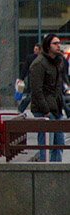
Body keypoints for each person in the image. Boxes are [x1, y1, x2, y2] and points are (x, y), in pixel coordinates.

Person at [28, 34, 66, 162]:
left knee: (59, 142)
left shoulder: (57, 61)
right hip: (44, 109)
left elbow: (58, 87)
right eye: (55, 43)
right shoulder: (39, 63)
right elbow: (37, 90)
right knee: (46, 142)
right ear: (48, 46)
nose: (58, 45)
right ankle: (44, 167)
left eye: (59, 43)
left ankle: (56, 168)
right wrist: (46, 111)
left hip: (56, 107)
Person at [18, 44, 40, 112]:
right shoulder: (30, 58)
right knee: (31, 95)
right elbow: (25, 68)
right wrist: (21, 78)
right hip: (33, 79)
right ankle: (21, 108)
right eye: (34, 49)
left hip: (42, 79)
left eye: (36, 49)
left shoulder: (43, 58)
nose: (34, 50)